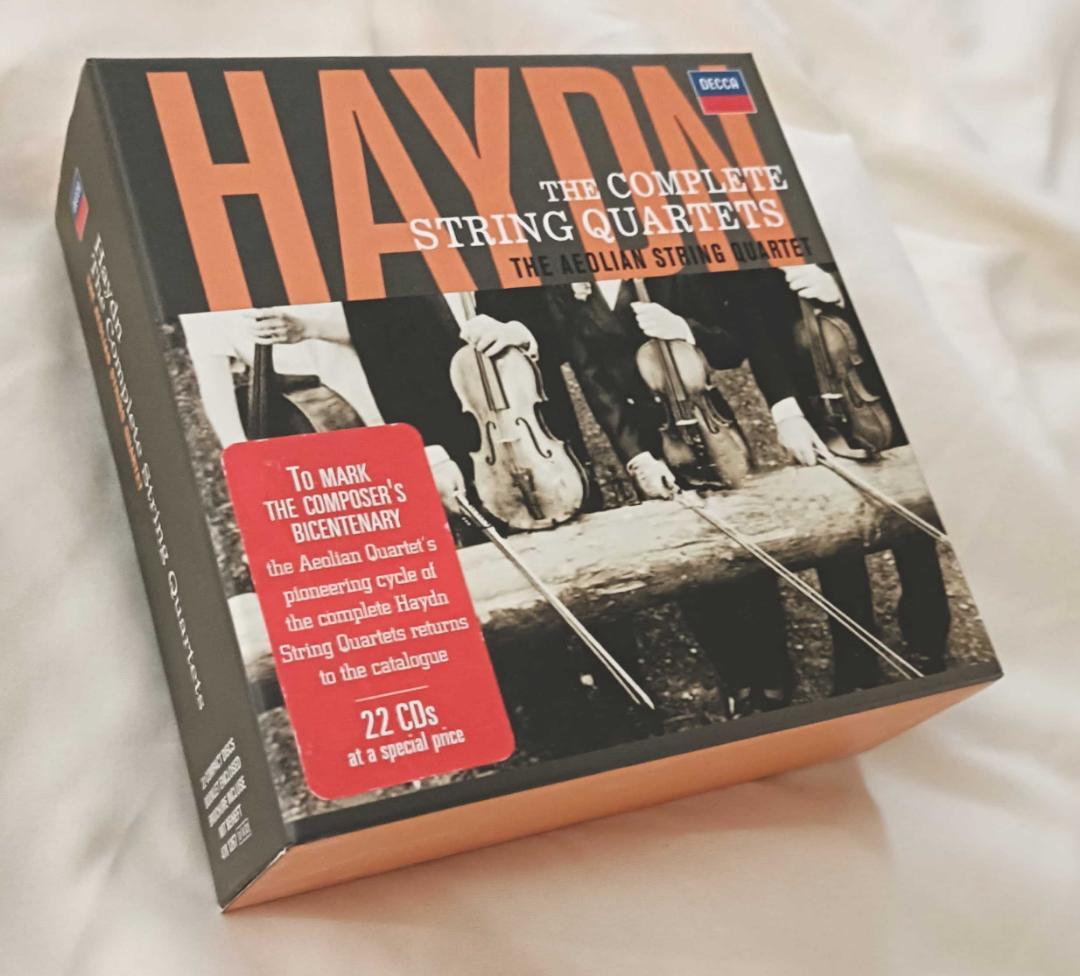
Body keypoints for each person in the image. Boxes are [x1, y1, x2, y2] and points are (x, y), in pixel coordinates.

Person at [546, 273, 795, 716]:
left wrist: (683, 328)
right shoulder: (566, 288)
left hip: (709, 425)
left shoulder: (665, 270)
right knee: (687, 561)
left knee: (746, 548)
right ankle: (734, 677)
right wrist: (636, 456)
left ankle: (773, 670)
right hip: (649, 438)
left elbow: (731, 347)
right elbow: (593, 380)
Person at [738, 263, 951, 692]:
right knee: (834, 542)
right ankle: (856, 662)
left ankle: (927, 636)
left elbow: (904, 288)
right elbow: (752, 327)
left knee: (911, 524)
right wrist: (786, 412)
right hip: (807, 397)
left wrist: (842, 289)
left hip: (876, 387)